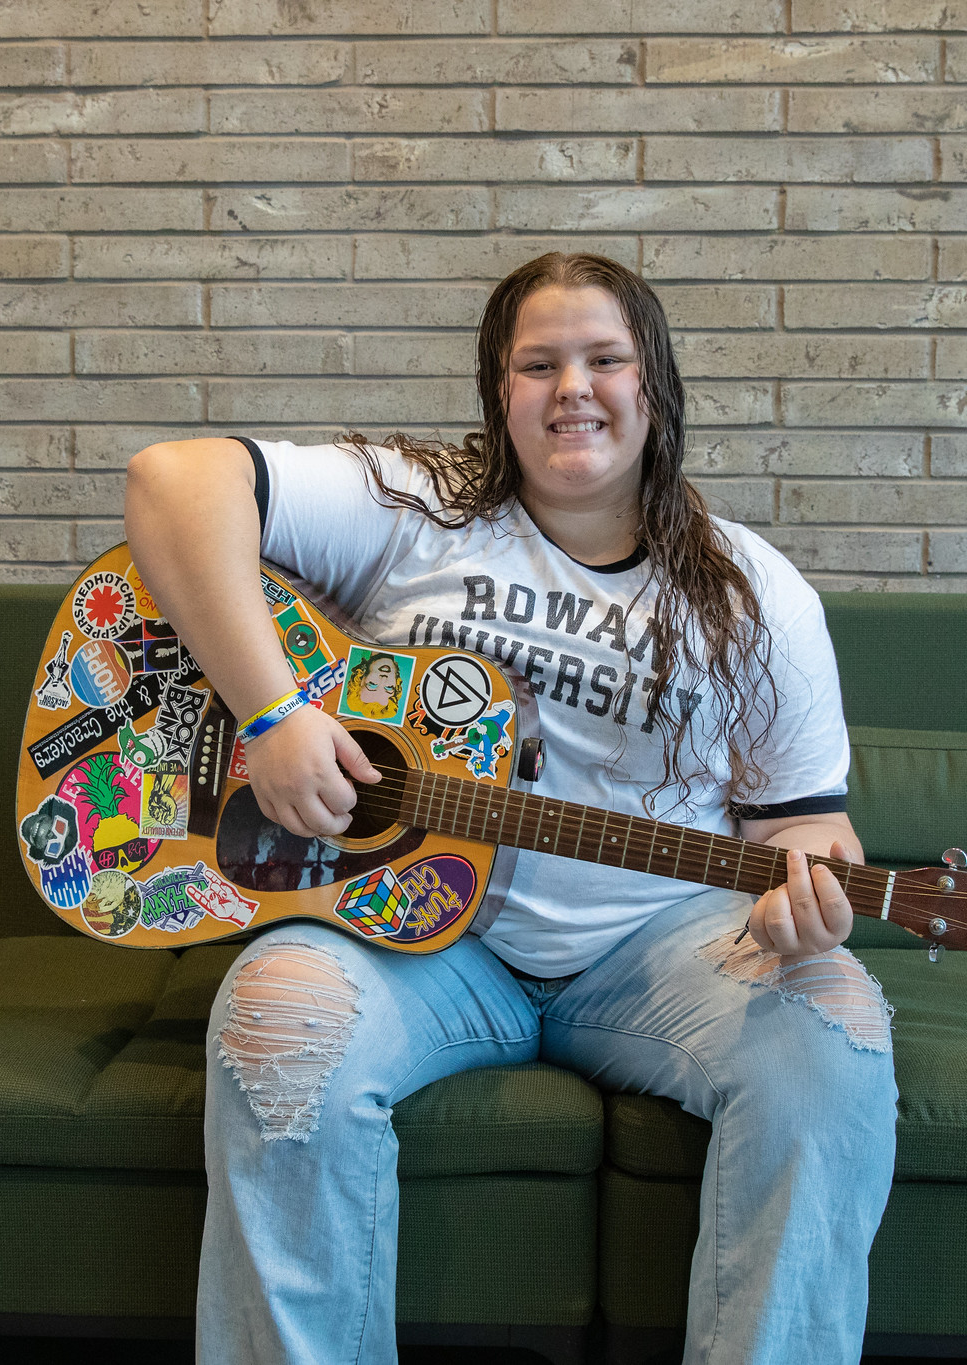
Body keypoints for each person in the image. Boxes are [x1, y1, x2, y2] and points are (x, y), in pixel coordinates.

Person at [125, 252, 899, 1364]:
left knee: (837, 1034)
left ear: (656, 388)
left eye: (604, 359)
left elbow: (800, 825)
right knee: (273, 1019)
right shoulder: (414, 509)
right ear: (498, 392)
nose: (571, 387)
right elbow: (170, 480)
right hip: (413, 942)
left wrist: (810, 890)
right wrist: (272, 716)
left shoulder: (752, 592)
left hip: (657, 945)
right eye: (537, 363)